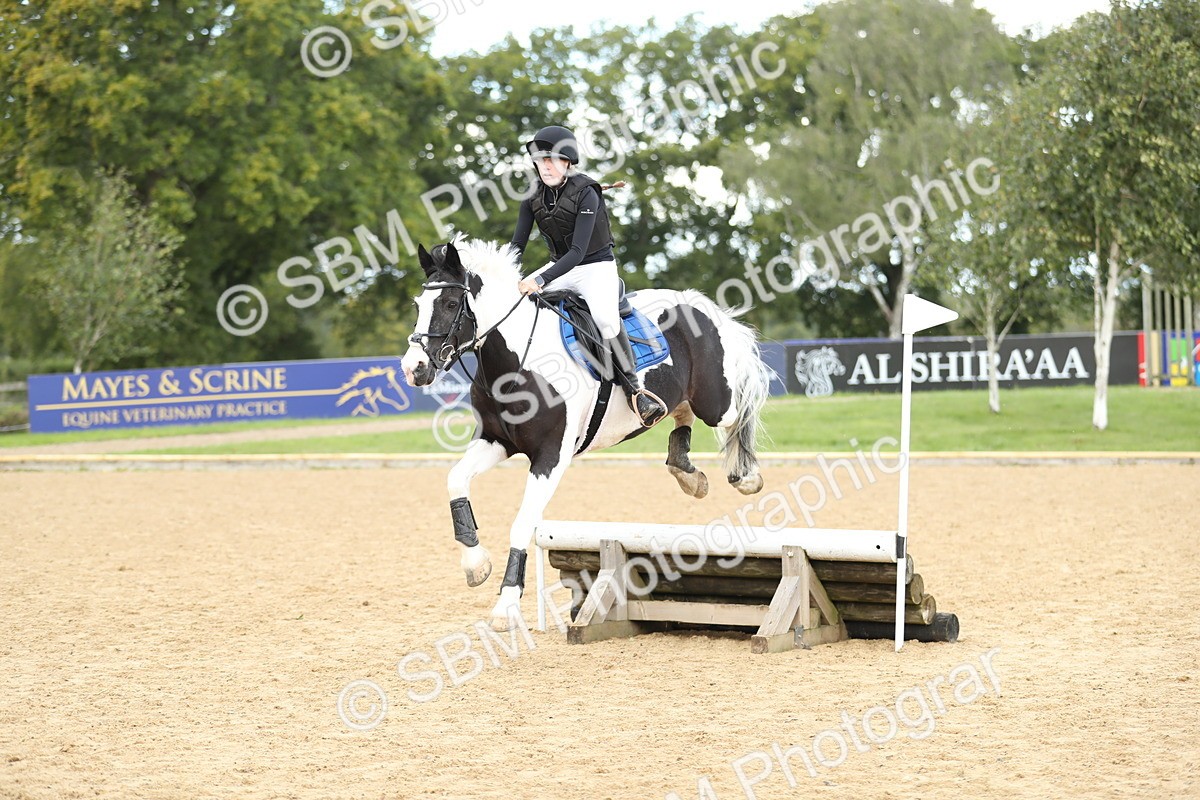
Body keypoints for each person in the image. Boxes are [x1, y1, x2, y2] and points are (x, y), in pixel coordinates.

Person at [510, 124, 666, 427]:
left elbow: (579, 252)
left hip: (595, 268)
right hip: (559, 266)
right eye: (542, 161)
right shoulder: (531, 196)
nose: (546, 166)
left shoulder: (587, 192)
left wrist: (539, 280)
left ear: (568, 162)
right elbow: (517, 245)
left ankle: (636, 390)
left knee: (607, 320)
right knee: (516, 303)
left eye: (553, 160)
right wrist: (503, 273)